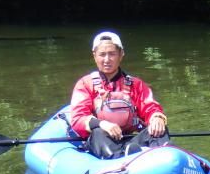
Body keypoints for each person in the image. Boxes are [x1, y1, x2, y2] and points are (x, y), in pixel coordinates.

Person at [69, 31, 170, 159]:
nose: (107, 60)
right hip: (101, 141)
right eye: (102, 54)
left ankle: (159, 159)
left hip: (130, 140)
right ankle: (122, 162)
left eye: (112, 54)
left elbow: (150, 107)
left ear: (121, 54)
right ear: (94, 56)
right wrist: (101, 124)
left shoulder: (136, 84)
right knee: (99, 133)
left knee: (160, 129)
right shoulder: (85, 84)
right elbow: (78, 119)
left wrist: (157, 118)